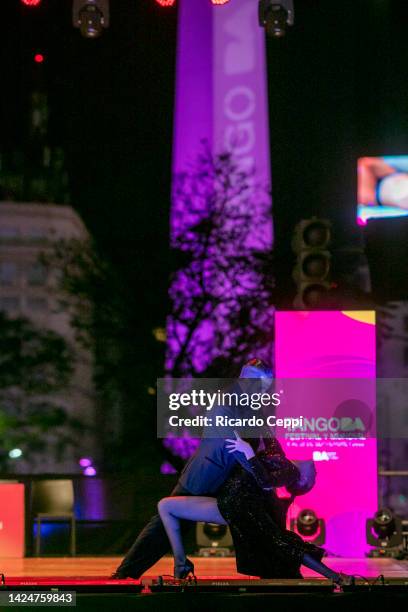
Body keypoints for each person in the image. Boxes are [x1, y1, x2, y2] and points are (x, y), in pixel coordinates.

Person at [112, 358, 277, 579]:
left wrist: (276, 466)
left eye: (267, 387)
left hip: (226, 482)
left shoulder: (252, 407)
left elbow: (266, 441)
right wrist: (265, 479)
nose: (264, 392)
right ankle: (126, 574)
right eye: (261, 386)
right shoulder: (225, 404)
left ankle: (270, 571)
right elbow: (238, 449)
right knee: (163, 529)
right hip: (202, 479)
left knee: (257, 519)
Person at [158, 431, 353, 585]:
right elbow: (265, 432)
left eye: (314, 478)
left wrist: (250, 454)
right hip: (226, 505)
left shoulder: (290, 472)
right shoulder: (280, 458)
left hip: (239, 506)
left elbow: (265, 480)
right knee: (165, 506)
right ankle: (182, 563)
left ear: (301, 480)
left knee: (282, 542)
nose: (316, 473)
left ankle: (334, 576)